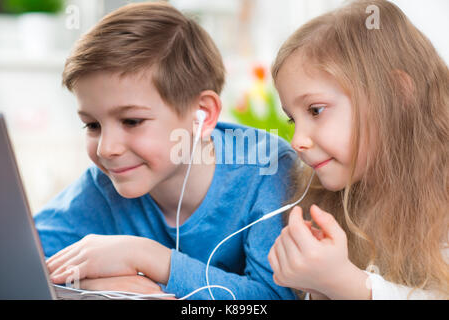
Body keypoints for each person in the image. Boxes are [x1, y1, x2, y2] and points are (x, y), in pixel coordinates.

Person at [34, 2, 297, 300]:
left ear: (202, 115)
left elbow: (273, 298)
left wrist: (150, 259)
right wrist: (90, 285)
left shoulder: (269, 171)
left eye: (132, 121)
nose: (107, 149)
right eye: (92, 125)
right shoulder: (104, 186)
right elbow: (20, 259)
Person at [268, 0, 448, 300]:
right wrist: (317, 285)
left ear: (396, 94)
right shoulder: (331, 200)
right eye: (292, 118)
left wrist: (343, 283)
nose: (298, 140)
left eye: (315, 110)